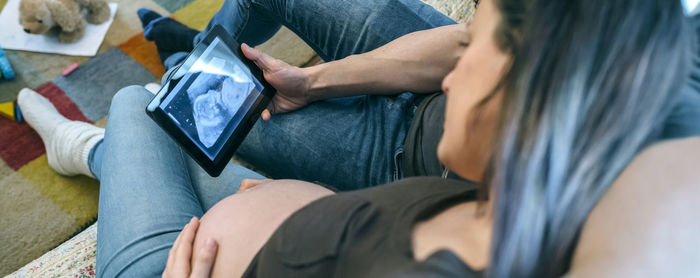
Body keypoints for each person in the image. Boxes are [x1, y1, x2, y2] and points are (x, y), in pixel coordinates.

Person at [16, 0, 700, 277]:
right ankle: (189, 53)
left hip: (185, 265)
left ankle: (85, 147)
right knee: (189, 121)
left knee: (141, 106)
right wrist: (315, 84)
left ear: (548, 90)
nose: (457, 70)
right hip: (347, 192)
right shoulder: (651, 69)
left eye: (481, 51)